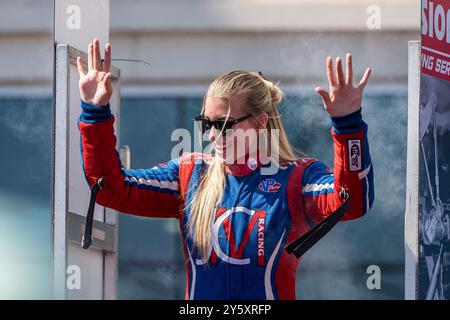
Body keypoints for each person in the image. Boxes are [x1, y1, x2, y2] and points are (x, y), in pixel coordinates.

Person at [77, 39, 374, 300]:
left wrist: (347, 124)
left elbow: (350, 202)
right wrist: (94, 114)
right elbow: (109, 188)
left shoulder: (295, 178)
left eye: (224, 125)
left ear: (259, 122)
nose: (211, 135)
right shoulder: (191, 174)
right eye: (206, 124)